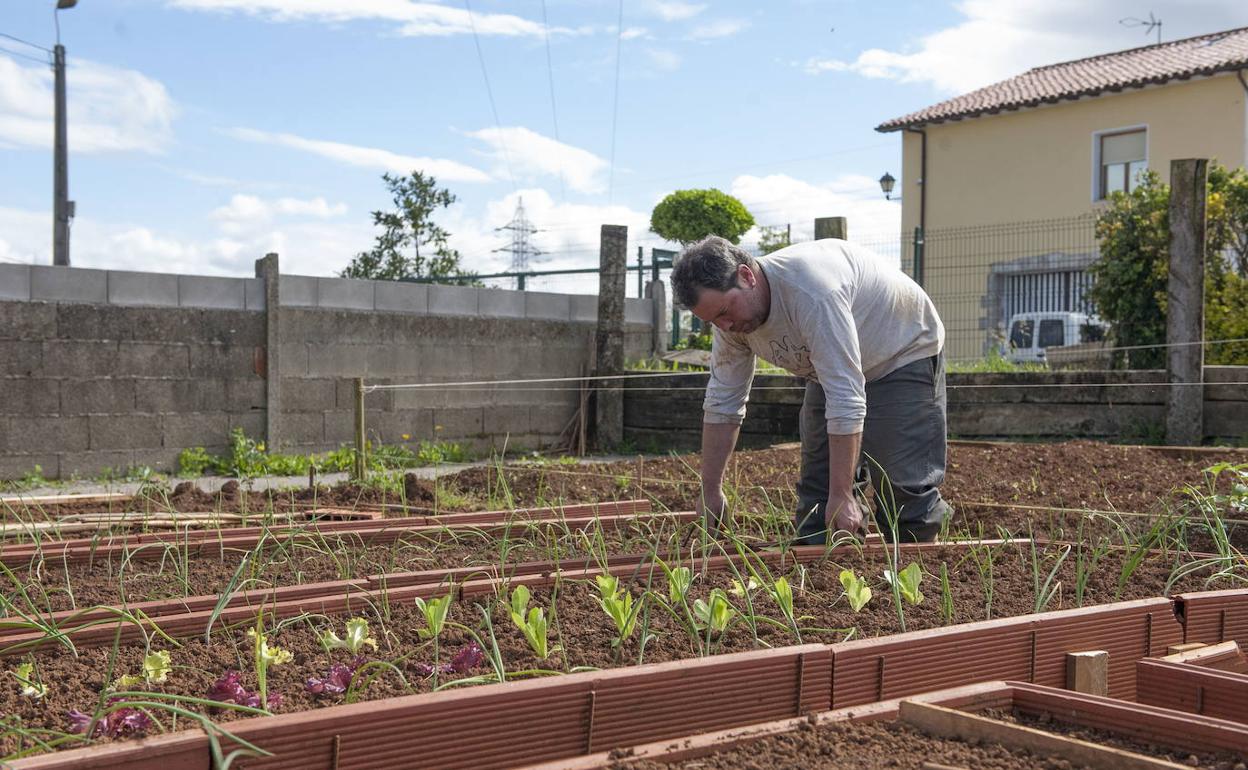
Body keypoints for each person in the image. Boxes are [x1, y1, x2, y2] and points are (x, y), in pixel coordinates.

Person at [670, 235, 951, 543]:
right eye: (713, 321)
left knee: (902, 483)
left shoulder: (812, 292)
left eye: (724, 312)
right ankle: (832, 565)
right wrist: (710, 492)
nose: (725, 326)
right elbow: (723, 401)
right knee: (818, 496)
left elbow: (846, 396)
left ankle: (920, 559)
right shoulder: (730, 325)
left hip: (900, 350)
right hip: (829, 366)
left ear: (746, 276)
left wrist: (842, 494)